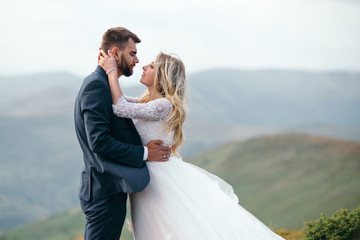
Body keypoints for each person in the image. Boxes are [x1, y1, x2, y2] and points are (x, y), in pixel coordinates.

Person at [98, 49, 285, 239]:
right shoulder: (147, 102)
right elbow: (117, 101)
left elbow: (120, 107)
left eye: (152, 66)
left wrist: (112, 71)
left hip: (158, 179)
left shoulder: (164, 105)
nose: (144, 66)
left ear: (162, 78)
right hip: (148, 175)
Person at [74, 27, 172, 240]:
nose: (137, 61)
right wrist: (144, 153)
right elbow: (99, 142)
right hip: (104, 190)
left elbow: (123, 105)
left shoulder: (105, 85)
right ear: (115, 53)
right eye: (132, 53)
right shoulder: (96, 86)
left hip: (111, 188)